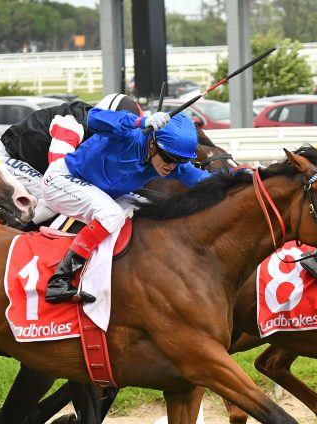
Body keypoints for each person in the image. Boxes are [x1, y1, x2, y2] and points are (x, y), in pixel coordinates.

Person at [42, 109, 211, 303]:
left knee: (150, 210)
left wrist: (238, 175)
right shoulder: (127, 135)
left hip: (99, 192)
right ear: (152, 143)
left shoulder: (170, 164)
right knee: (111, 214)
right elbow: (94, 118)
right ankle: (60, 280)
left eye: (180, 161)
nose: (172, 166)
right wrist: (140, 121)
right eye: (169, 158)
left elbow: (206, 179)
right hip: (62, 180)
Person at [0, 93, 143, 225]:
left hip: (34, 163)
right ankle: (12, 232)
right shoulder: (73, 124)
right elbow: (55, 177)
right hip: (4, 158)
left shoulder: (98, 128)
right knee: (53, 199)